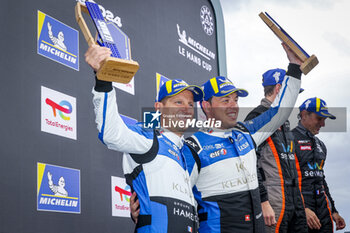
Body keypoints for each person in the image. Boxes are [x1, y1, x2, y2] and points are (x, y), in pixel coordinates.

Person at [181, 43, 303, 233]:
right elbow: (176, 196)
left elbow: (280, 111)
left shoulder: (246, 133)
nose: (233, 106)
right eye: (225, 100)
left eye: (236, 100)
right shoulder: (193, 146)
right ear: (206, 105)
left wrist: (294, 67)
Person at [85, 44, 205, 233]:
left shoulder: (190, 154)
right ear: (158, 107)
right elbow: (111, 132)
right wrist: (103, 80)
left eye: (190, 104)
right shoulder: (148, 137)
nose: (186, 109)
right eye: (178, 102)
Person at [244, 68, 308, 233]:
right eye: (292, 93)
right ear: (280, 89)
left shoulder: (286, 121)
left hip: (294, 198)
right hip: (274, 198)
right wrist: (263, 201)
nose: (294, 99)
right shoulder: (257, 116)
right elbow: (249, 163)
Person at [292, 97, 346, 233]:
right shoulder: (289, 140)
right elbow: (285, 181)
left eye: (324, 120)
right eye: (319, 118)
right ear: (304, 115)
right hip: (301, 211)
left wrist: (333, 211)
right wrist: (302, 208)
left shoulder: (321, 145)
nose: (323, 124)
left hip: (322, 209)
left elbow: (321, 178)